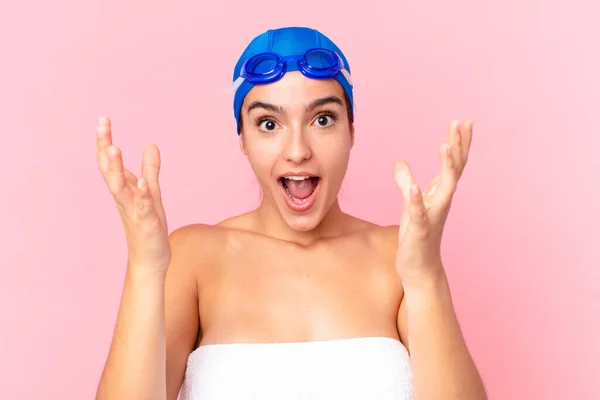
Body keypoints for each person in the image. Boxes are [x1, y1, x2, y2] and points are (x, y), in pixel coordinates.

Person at [94, 26, 487, 400]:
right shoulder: (193, 256)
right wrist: (145, 265)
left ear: (351, 130)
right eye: (268, 124)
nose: (297, 150)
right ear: (243, 139)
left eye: (322, 119)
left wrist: (425, 276)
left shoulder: (399, 256)